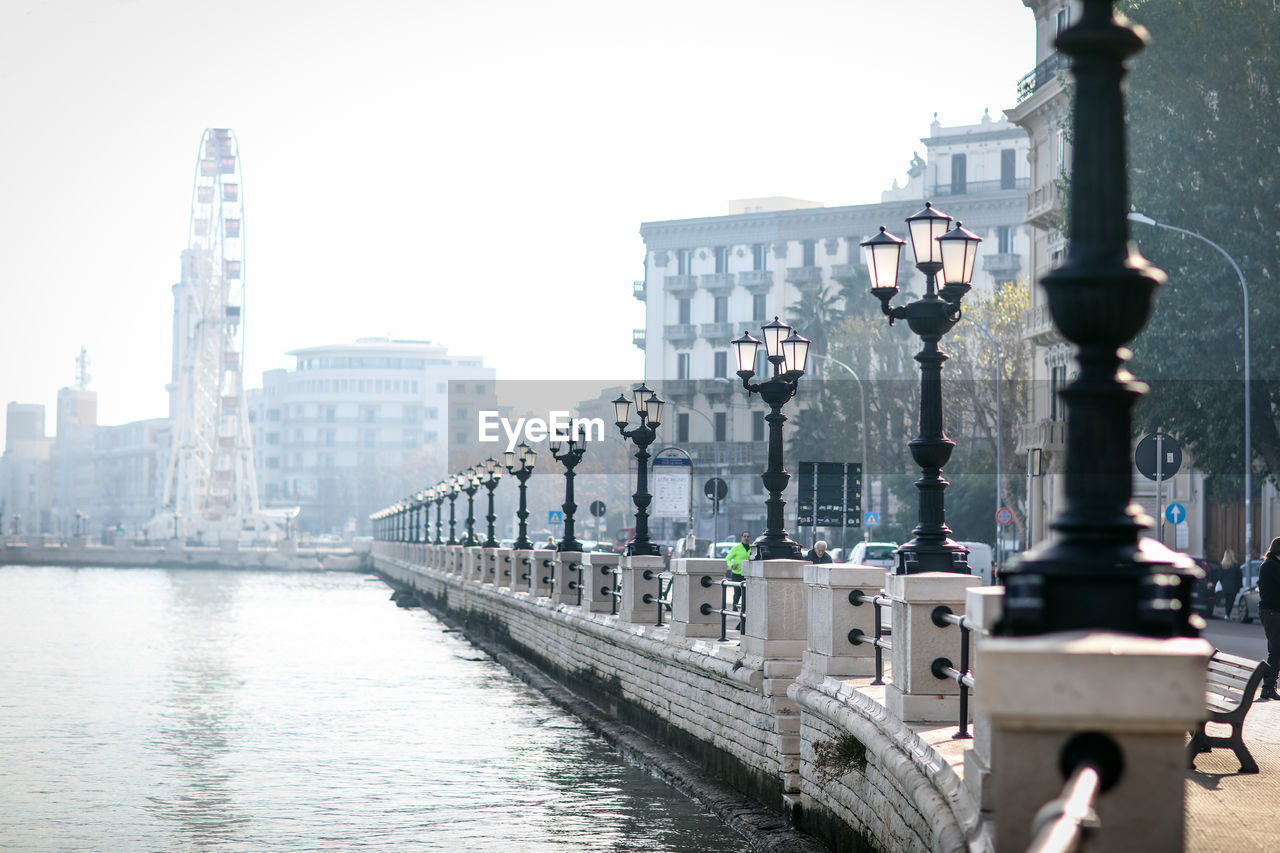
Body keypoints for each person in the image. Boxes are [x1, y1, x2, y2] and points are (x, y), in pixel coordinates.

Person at [1258, 538, 1280, 701]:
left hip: (1271, 613)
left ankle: (1269, 686)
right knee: (1275, 651)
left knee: (1275, 650)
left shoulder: (1270, 565)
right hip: (1272, 613)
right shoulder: (1272, 566)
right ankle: (1267, 688)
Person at [725, 531, 750, 610]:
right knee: (737, 593)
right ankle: (734, 608)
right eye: (744, 536)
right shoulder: (736, 548)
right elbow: (727, 558)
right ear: (741, 538)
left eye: (748, 537)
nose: (746, 538)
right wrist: (731, 565)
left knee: (746, 593)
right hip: (737, 574)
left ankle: (744, 608)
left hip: (747, 574)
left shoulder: (752, 548)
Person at [1220, 548, 1243, 619]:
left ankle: (1227, 614)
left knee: (1227, 600)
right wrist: (1239, 586)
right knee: (1231, 601)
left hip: (1225, 586)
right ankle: (1227, 614)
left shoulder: (1222, 565)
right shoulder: (1236, 565)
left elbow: (1220, 577)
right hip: (1234, 586)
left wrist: (1222, 583)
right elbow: (1239, 576)